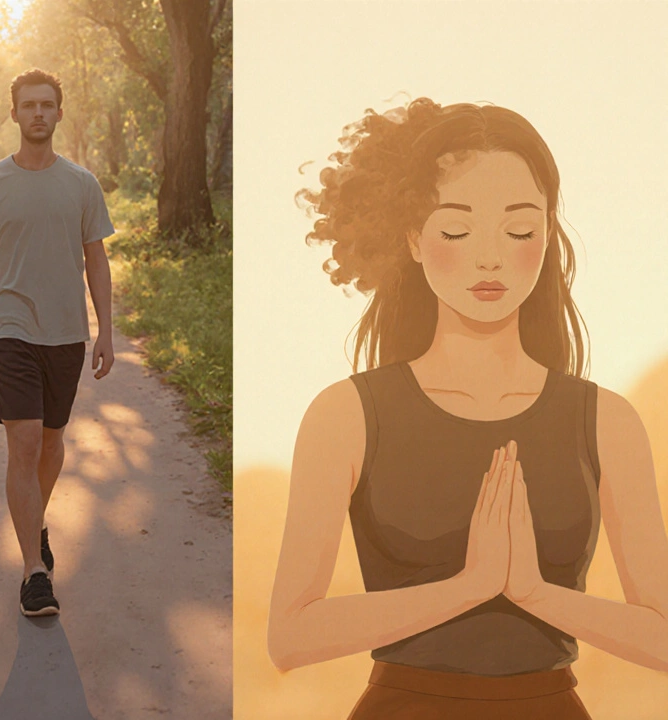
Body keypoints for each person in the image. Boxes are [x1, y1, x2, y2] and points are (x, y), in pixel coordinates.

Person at [266, 98, 668, 719]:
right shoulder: (346, 414)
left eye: (519, 230)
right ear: (413, 238)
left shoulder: (605, 421)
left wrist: (533, 592)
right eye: (456, 230)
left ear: (548, 234)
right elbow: (289, 637)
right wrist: (468, 587)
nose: (489, 257)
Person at [0, 68, 115, 617]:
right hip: (8, 327)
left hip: (66, 332)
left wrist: (106, 329)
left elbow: (96, 258)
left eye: (47, 104)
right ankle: (34, 572)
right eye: (29, 105)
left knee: (51, 442)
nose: (39, 113)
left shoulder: (82, 184)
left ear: (59, 113)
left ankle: (35, 523)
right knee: (24, 442)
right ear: (15, 114)